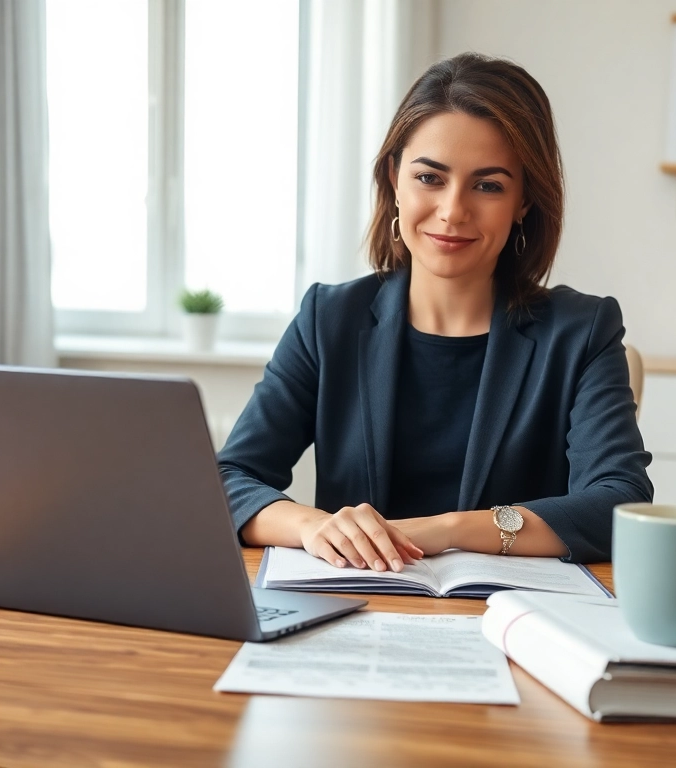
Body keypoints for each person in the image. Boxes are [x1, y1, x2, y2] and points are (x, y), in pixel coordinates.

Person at [218, 52, 652, 573]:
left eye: (488, 185)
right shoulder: (328, 318)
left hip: (508, 619)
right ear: (394, 178)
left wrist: (445, 528)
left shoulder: (582, 332)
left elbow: (617, 504)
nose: (453, 210)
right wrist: (314, 525)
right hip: (354, 607)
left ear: (524, 202)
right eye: (430, 177)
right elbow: (229, 478)